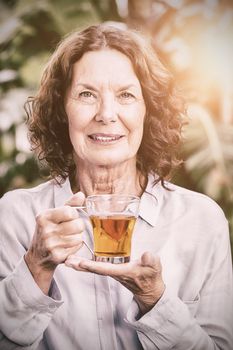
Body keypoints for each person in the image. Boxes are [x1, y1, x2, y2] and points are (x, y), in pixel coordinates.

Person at [0, 24, 232, 350]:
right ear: (61, 109)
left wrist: (155, 300)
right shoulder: (16, 217)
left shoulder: (202, 221)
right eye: (86, 94)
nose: (107, 114)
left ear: (147, 110)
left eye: (126, 95)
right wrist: (35, 267)